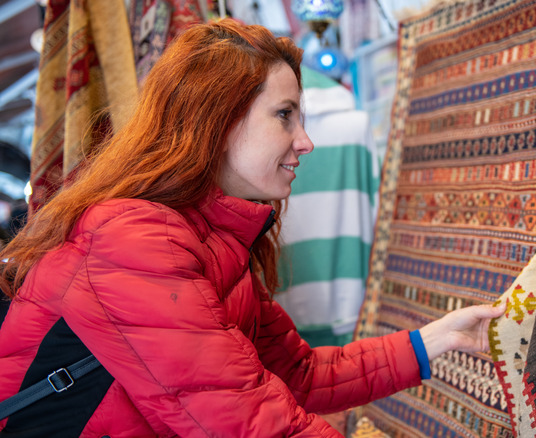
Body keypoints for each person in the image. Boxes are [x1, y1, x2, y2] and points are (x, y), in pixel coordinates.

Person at [0, 19, 505, 437]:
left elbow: (301, 376)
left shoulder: (211, 241)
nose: (304, 141)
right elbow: (248, 424)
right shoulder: (134, 239)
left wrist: (435, 339)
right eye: (284, 116)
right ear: (217, 122)